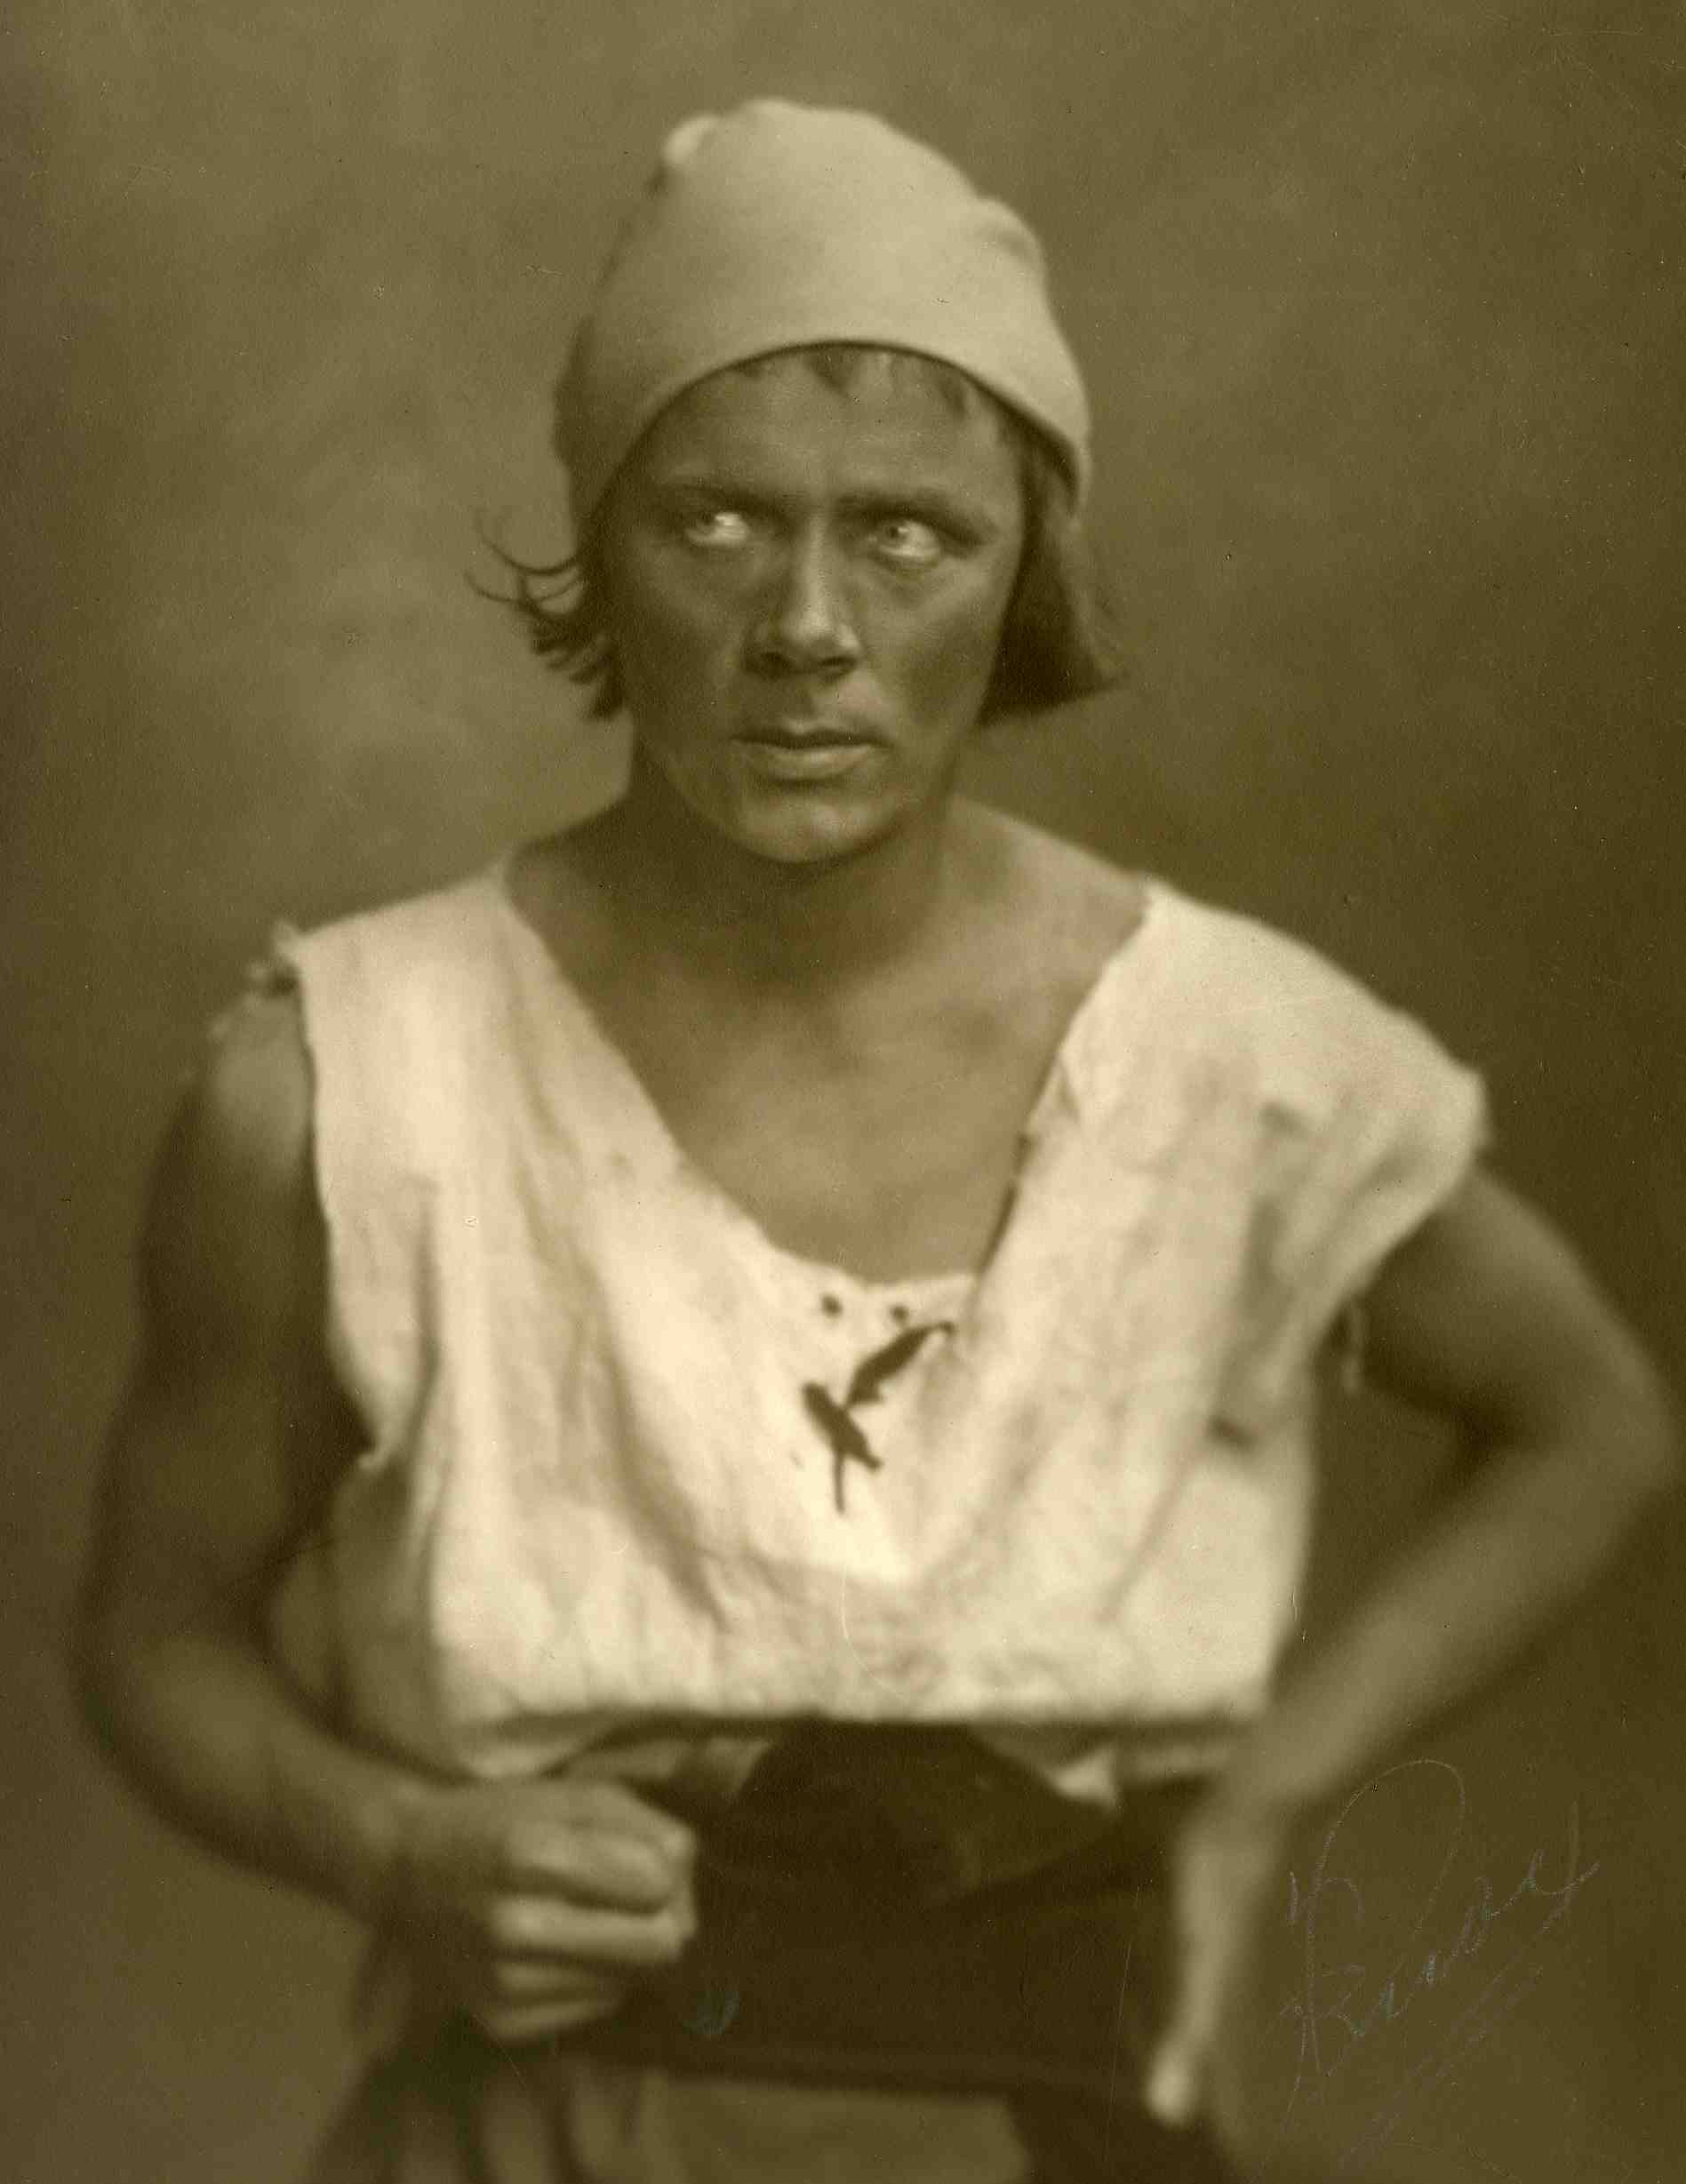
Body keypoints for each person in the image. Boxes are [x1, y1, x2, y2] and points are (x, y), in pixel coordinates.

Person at [74, 100, 1676, 2183]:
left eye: (906, 534)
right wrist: (396, 1840)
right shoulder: (352, 1086)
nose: (807, 624)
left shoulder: (1227, 1057)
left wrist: (1256, 1803)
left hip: (1057, 2126)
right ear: (604, 547)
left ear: (1023, 571)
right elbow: (155, 1634)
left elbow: (1589, 1419)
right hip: (550, 2128)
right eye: (715, 521)